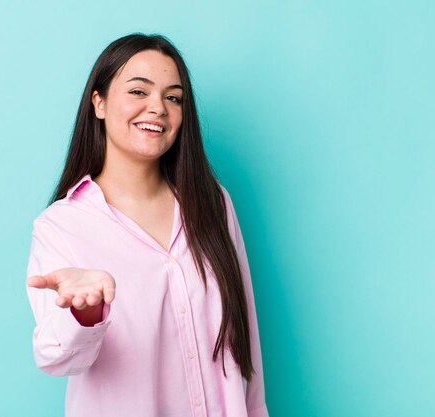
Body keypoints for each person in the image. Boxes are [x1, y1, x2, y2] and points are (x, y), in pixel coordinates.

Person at [25, 33, 268, 417]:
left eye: (173, 97)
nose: (158, 107)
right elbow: (55, 358)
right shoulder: (61, 226)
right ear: (99, 103)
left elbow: (245, 341)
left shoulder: (213, 202)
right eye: (139, 92)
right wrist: (84, 315)